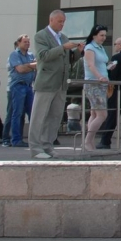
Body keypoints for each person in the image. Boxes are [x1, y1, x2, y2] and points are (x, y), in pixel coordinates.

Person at [29, 9, 79, 159]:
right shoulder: (41, 36)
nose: (62, 24)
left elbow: (68, 60)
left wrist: (78, 52)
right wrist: (63, 47)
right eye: (59, 21)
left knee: (55, 117)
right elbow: (43, 55)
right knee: (39, 116)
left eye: (63, 22)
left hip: (61, 83)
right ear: (51, 20)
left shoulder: (63, 37)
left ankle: (48, 146)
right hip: (46, 82)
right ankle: (36, 149)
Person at [81, 26, 111, 152]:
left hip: (101, 84)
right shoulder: (90, 48)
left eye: (105, 35)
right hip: (94, 83)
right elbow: (90, 65)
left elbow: (100, 64)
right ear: (94, 35)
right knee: (102, 114)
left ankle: (90, 141)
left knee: (94, 113)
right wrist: (100, 77)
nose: (104, 38)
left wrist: (108, 68)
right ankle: (87, 141)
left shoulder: (100, 47)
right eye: (101, 35)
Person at [4, 34, 36, 148]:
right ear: (18, 43)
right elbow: (20, 69)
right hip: (17, 86)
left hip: (29, 86)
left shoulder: (31, 55)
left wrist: (28, 66)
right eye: (25, 42)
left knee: (32, 113)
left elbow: (37, 66)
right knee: (16, 114)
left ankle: (34, 139)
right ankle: (16, 140)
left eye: (28, 41)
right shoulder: (14, 54)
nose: (27, 43)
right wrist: (31, 66)